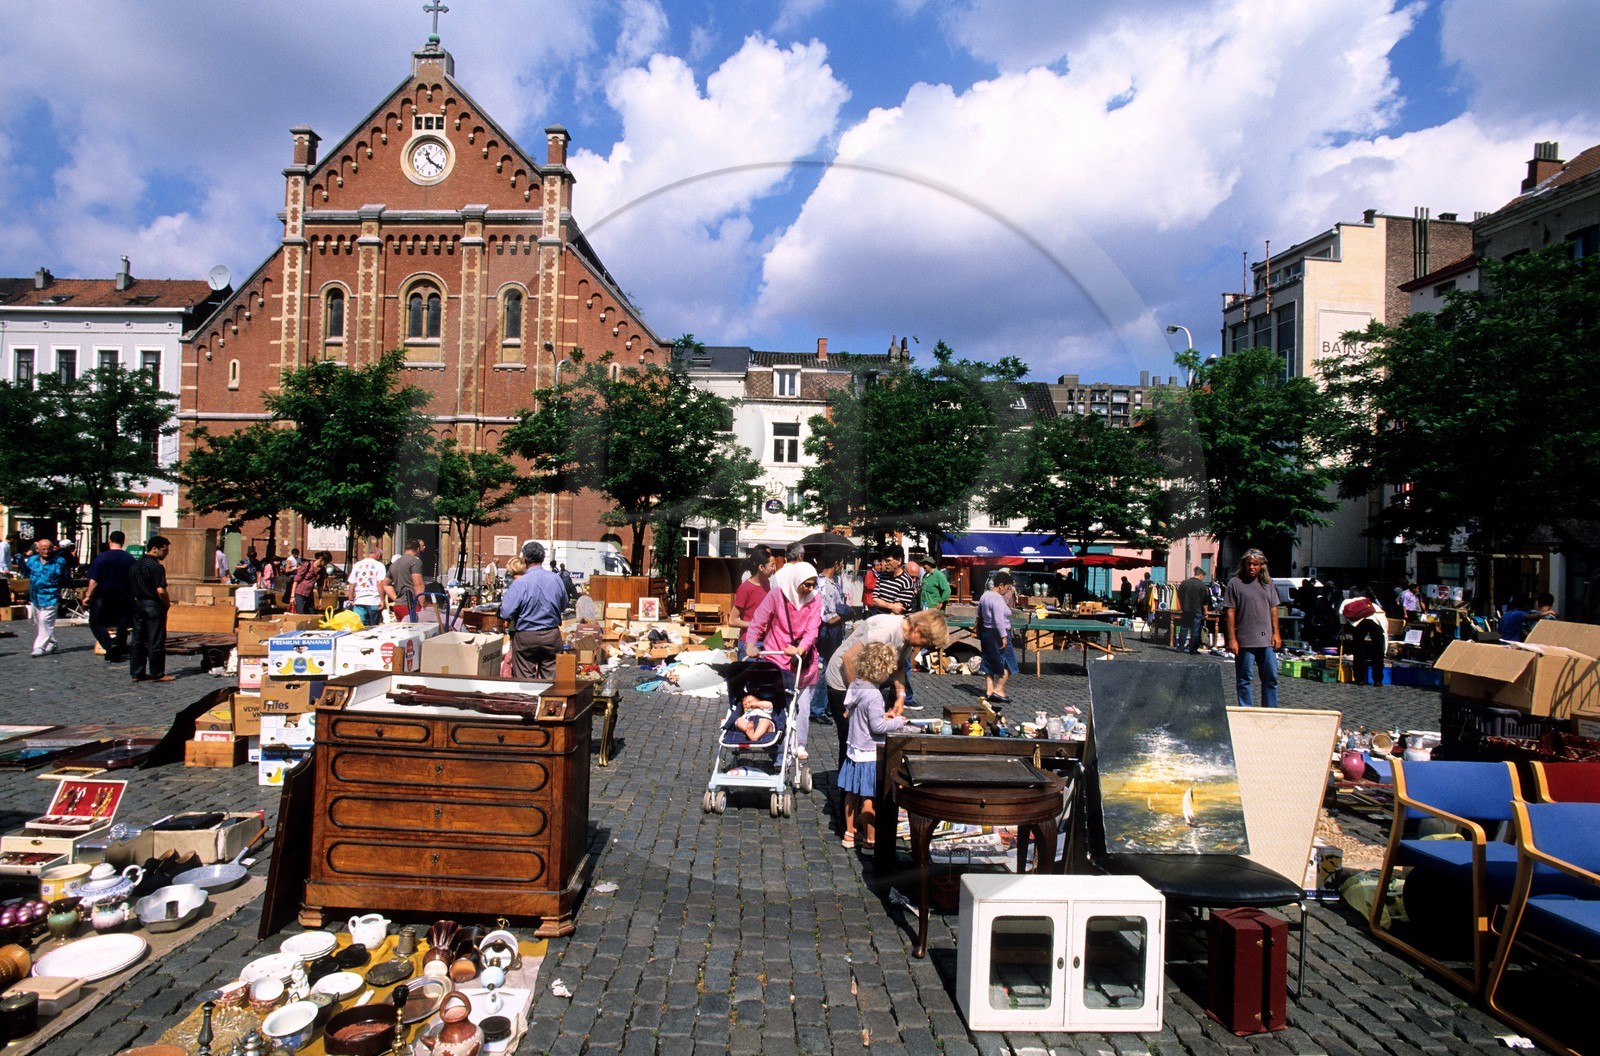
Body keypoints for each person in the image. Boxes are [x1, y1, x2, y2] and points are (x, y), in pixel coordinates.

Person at [823, 609, 950, 762]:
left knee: (873, 736)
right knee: (852, 738)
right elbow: (848, 658)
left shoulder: (908, 637)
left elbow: (900, 666)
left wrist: (900, 699)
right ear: (919, 629)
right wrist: (857, 701)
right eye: (927, 644)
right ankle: (848, 782)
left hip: (866, 687)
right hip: (843, 683)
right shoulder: (885, 631)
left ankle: (867, 778)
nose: (922, 648)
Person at [744, 561, 822, 760]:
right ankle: (777, 740)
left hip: (801, 660)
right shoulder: (776, 595)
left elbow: (813, 628)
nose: (809, 589)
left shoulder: (815, 599)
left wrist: (800, 648)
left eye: (813, 584)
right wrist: (751, 644)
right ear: (796, 581)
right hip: (776, 655)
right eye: (806, 584)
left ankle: (799, 743)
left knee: (802, 707)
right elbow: (759, 620)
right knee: (778, 703)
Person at [836, 641, 907, 850]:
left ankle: (849, 833)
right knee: (870, 798)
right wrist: (897, 722)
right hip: (868, 752)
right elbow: (877, 727)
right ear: (882, 670)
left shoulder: (857, 684)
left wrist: (881, 716)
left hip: (853, 749)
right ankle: (871, 838)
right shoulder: (875, 695)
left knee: (851, 793)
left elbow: (852, 712)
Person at [498, 541, 566, 678]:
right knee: (550, 682)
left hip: (526, 637)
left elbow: (505, 612)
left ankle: (530, 699)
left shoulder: (520, 583)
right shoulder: (556, 579)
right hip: (550, 636)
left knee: (525, 683)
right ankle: (549, 699)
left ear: (524, 559)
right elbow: (563, 605)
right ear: (543, 558)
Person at [1223, 549, 1281, 707]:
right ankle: (1246, 710)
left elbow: (1273, 609)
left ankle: (1271, 710)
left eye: (1255, 564)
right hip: (1245, 639)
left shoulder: (1268, 584)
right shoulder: (1235, 583)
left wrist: (1276, 634)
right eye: (1249, 563)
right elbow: (1230, 612)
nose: (1251, 567)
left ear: (1262, 565)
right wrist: (1231, 639)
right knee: (1244, 679)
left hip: (1265, 637)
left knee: (1270, 678)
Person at [83, 530, 135, 662]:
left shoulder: (102, 557)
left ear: (109, 541)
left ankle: (109, 645)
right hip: (124, 594)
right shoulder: (130, 558)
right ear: (123, 542)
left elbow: (94, 580)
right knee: (122, 623)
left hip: (104, 594)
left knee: (95, 622)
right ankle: (118, 646)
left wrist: (88, 595)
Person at [129, 536, 173, 682]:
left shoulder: (135, 565)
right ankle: (157, 673)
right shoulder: (157, 567)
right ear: (154, 549)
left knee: (138, 640)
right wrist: (167, 604)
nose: (166, 553)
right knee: (156, 640)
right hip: (153, 605)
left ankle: (137, 673)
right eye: (164, 550)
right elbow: (161, 590)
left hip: (138, 604)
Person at [977, 570, 1018, 704]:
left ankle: (989, 690)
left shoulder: (984, 596)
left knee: (989, 660)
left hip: (986, 631)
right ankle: (999, 689)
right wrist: (1004, 637)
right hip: (998, 632)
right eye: (1007, 588)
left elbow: (979, 615)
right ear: (1001, 585)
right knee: (1009, 662)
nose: (1007, 591)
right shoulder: (997, 598)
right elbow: (999, 619)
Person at [24, 538, 69, 658]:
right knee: (40, 623)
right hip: (36, 597)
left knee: (45, 621)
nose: (46, 551)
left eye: (49, 549)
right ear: (37, 549)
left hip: (51, 596)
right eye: (43, 549)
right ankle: (52, 643)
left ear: (53, 548)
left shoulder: (60, 562)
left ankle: (39, 647)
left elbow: (65, 578)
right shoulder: (31, 561)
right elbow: (26, 573)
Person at [730, 546, 776, 658]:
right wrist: (757, 625)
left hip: (765, 641)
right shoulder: (745, 588)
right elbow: (732, 620)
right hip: (748, 643)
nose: (775, 568)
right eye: (772, 565)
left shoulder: (766, 583)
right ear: (761, 567)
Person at [1342, 591, 1388, 686]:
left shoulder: (1345, 603)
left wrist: (1344, 627)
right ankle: (1378, 680)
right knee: (1378, 651)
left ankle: (1360, 679)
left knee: (1358, 650)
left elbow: (1342, 619)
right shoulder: (1371, 603)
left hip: (1359, 623)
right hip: (1377, 622)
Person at [346, 545, 391, 625]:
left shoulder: (357, 565)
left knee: (361, 627)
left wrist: (351, 599)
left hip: (359, 601)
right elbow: (380, 583)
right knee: (374, 627)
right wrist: (382, 600)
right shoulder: (379, 565)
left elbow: (351, 583)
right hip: (373, 600)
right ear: (378, 555)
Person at [388, 539, 426, 622]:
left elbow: (385, 584)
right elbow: (418, 584)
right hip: (411, 605)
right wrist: (423, 604)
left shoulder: (395, 563)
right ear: (418, 549)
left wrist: (396, 598)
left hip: (398, 605)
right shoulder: (415, 561)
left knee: (402, 632)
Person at [1176, 566, 1209, 654]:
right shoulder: (1203, 586)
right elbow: (1205, 601)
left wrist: (1183, 605)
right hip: (1197, 610)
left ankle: (1180, 647)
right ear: (1201, 575)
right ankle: (1193, 649)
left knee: (1184, 628)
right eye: (1203, 577)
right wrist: (1206, 612)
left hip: (1186, 609)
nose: (1203, 579)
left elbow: (1179, 596)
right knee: (1195, 630)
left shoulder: (1184, 583)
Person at [290, 551, 331, 615]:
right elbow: (296, 580)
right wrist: (292, 596)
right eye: (325, 562)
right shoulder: (307, 565)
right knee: (300, 613)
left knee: (311, 613)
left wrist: (320, 599)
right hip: (300, 593)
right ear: (321, 558)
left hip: (309, 594)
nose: (326, 564)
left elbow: (320, 585)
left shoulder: (322, 570)